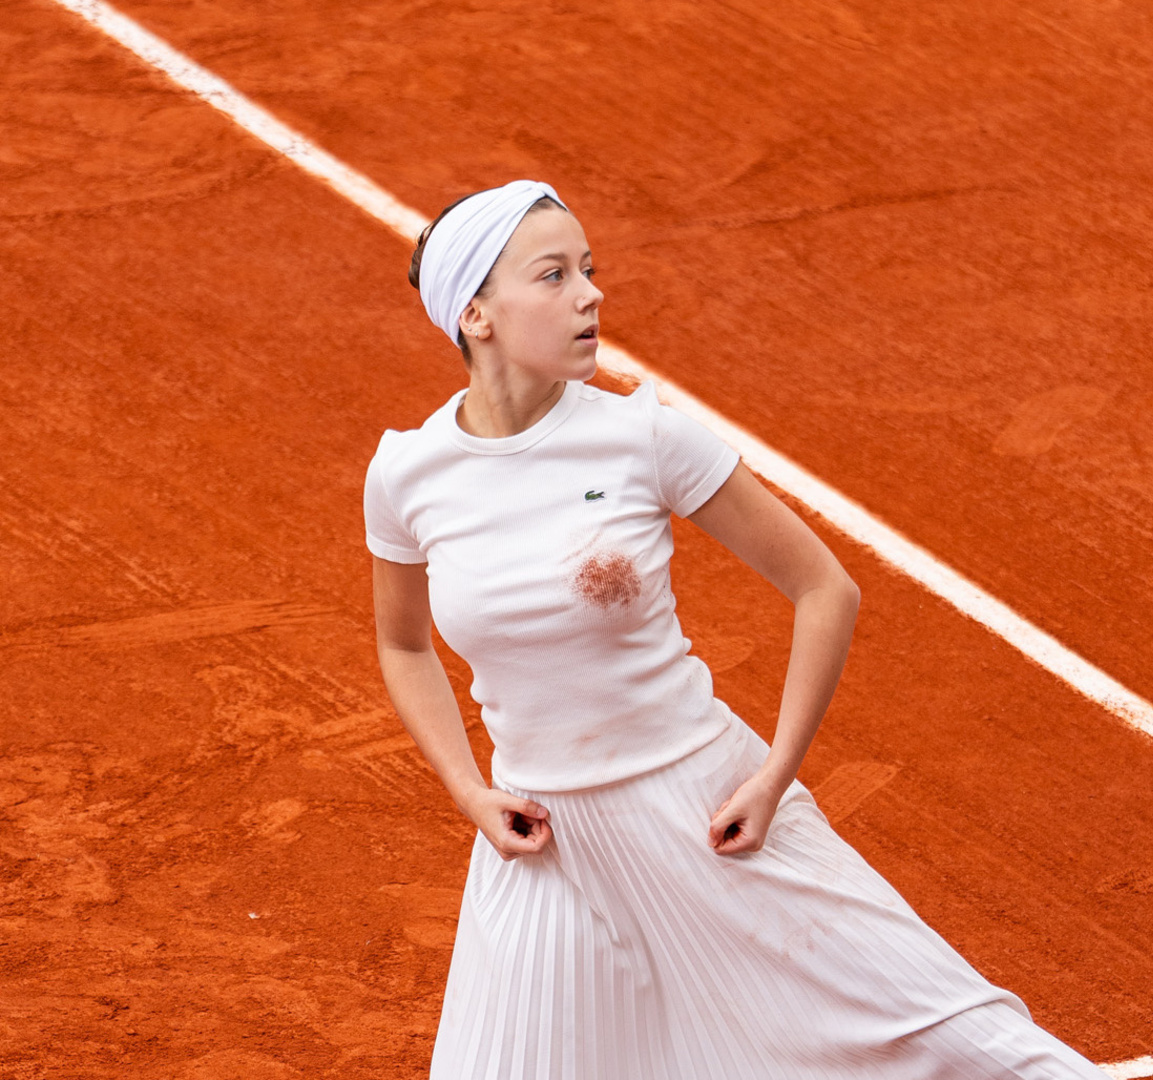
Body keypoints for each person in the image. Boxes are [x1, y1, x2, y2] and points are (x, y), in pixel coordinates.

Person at [363, 179, 1110, 1079]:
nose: (591, 294)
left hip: (703, 811)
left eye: (589, 270)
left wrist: (774, 775)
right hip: (544, 844)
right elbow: (403, 646)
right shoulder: (409, 474)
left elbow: (824, 588)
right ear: (476, 314)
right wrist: (469, 791)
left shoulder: (644, 438)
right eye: (555, 276)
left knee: (953, 1042)